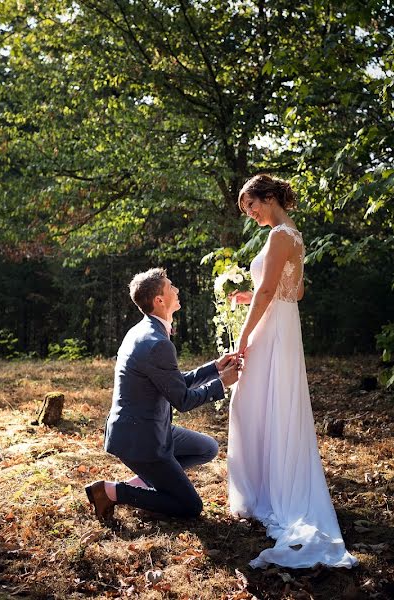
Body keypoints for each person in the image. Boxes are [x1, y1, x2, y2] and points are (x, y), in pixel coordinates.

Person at [227, 174, 358, 568]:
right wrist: (254, 295)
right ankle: (265, 484)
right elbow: (294, 291)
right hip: (284, 324)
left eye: (252, 205)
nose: (251, 214)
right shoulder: (294, 235)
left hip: (272, 330)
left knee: (249, 401)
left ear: (268, 197)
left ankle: (262, 491)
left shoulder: (279, 235)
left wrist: (244, 336)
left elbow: (273, 292)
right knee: (268, 400)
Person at [85, 268, 239, 521]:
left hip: (149, 427)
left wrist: (214, 368)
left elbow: (172, 383)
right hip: (140, 439)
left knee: (207, 448)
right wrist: (222, 383)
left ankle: (147, 483)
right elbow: (183, 400)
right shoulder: (156, 342)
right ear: (159, 300)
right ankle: (111, 491)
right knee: (190, 507)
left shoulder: (144, 331)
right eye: (171, 287)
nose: (177, 290)